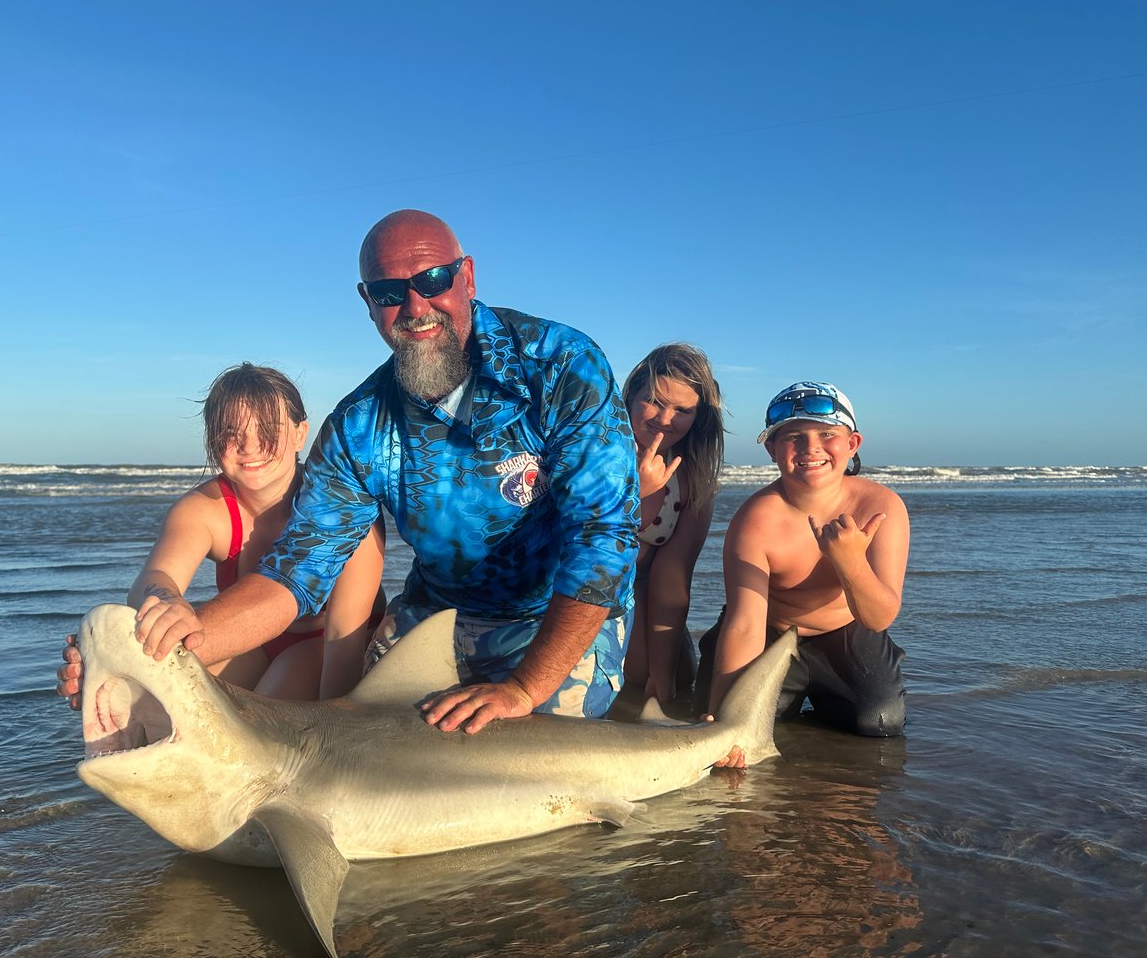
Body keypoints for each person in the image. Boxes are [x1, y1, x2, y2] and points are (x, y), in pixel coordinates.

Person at [126, 209, 640, 734]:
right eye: (390, 292)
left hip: (557, 614)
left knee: (527, 766)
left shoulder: (559, 366)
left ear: (467, 276)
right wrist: (147, 653)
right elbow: (294, 576)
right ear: (368, 301)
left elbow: (604, 537)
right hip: (437, 615)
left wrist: (524, 689)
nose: (416, 307)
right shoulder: (358, 427)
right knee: (363, 740)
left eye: (433, 280)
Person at [58, 364, 385, 706]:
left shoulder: (347, 507)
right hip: (250, 642)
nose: (249, 445)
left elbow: (341, 640)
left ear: (300, 433)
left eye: (268, 429)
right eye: (231, 432)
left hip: (335, 644)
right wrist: (163, 609)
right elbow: (155, 577)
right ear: (213, 440)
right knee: (146, 692)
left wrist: (333, 735)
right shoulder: (204, 509)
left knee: (271, 699)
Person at [692, 381, 909, 766]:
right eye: (792, 437)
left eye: (827, 434)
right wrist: (725, 723)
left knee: (879, 722)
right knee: (730, 726)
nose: (811, 447)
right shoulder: (754, 520)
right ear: (772, 450)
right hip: (769, 631)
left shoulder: (882, 506)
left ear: (852, 444)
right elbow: (744, 624)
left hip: (846, 632)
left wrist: (850, 561)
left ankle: (822, 702)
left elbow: (879, 617)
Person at [620, 343, 725, 705]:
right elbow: (576, 549)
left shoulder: (693, 478)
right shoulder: (595, 452)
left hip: (650, 588)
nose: (665, 419)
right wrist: (636, 493)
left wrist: (662, 678)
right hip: (591, 586)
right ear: (631, 394)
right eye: (654, 401)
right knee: (636, 675)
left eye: (682, 410)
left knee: (678, 679)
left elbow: (673, 573)